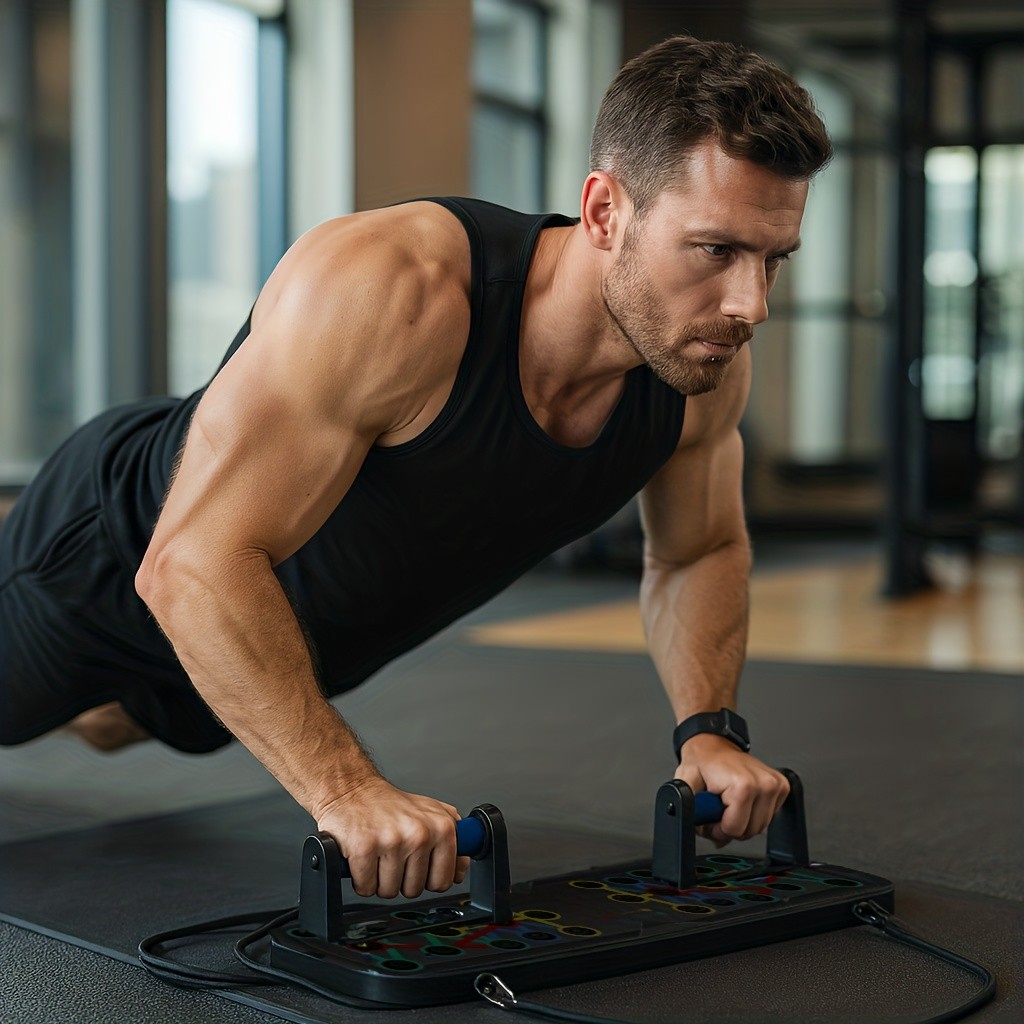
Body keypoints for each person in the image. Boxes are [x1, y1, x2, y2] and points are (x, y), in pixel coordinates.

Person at [0, 35, 831, 902]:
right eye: (715, 251)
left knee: (106, 726)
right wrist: (345, 789)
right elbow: (191, 563)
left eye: (773, 259)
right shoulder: (396, 290)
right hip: (113, 556)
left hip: (274, 640)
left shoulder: (695, 365)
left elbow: (696, 551)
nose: (751, 306)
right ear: (603, 212)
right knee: (22, 713)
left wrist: (710, 732)